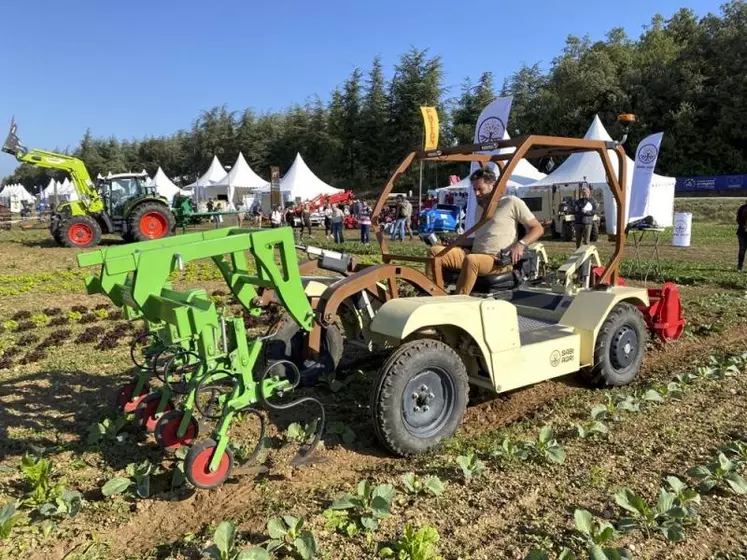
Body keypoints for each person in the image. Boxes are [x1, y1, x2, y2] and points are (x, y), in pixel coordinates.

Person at [426, 167, 544, 295]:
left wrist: (520, 244)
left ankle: (458, 299)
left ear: (493, 186)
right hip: (474, 255)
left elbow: (537, 228)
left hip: (497, 260)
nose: (477, 194)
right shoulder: (480, 208)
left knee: (472, 260)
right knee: (435, 252)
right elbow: (481, 238)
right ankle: (434, 294)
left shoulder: (511, 202)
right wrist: (456, 241)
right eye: (474, 189)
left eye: (480, 189)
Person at [737, 200, 747, 271]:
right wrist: (743, 226)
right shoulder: (742, 208)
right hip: (742, 233)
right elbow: (738, 219)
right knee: (742, 250)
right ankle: (740, 266)